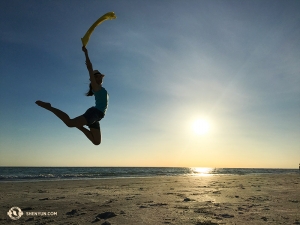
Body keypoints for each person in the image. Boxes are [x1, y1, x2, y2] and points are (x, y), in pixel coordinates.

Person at [35, 46, 109, 145]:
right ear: (95, 78)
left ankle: (80, 126)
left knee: (96, 142)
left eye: (101, 76)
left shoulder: (101, 88)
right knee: (69, 123)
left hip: (97, 116)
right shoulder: (96, 87)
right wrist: (86, 53)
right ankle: (50, 107)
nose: (101, 77)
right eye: (99, 76)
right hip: (94, 113)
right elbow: (90, 68)